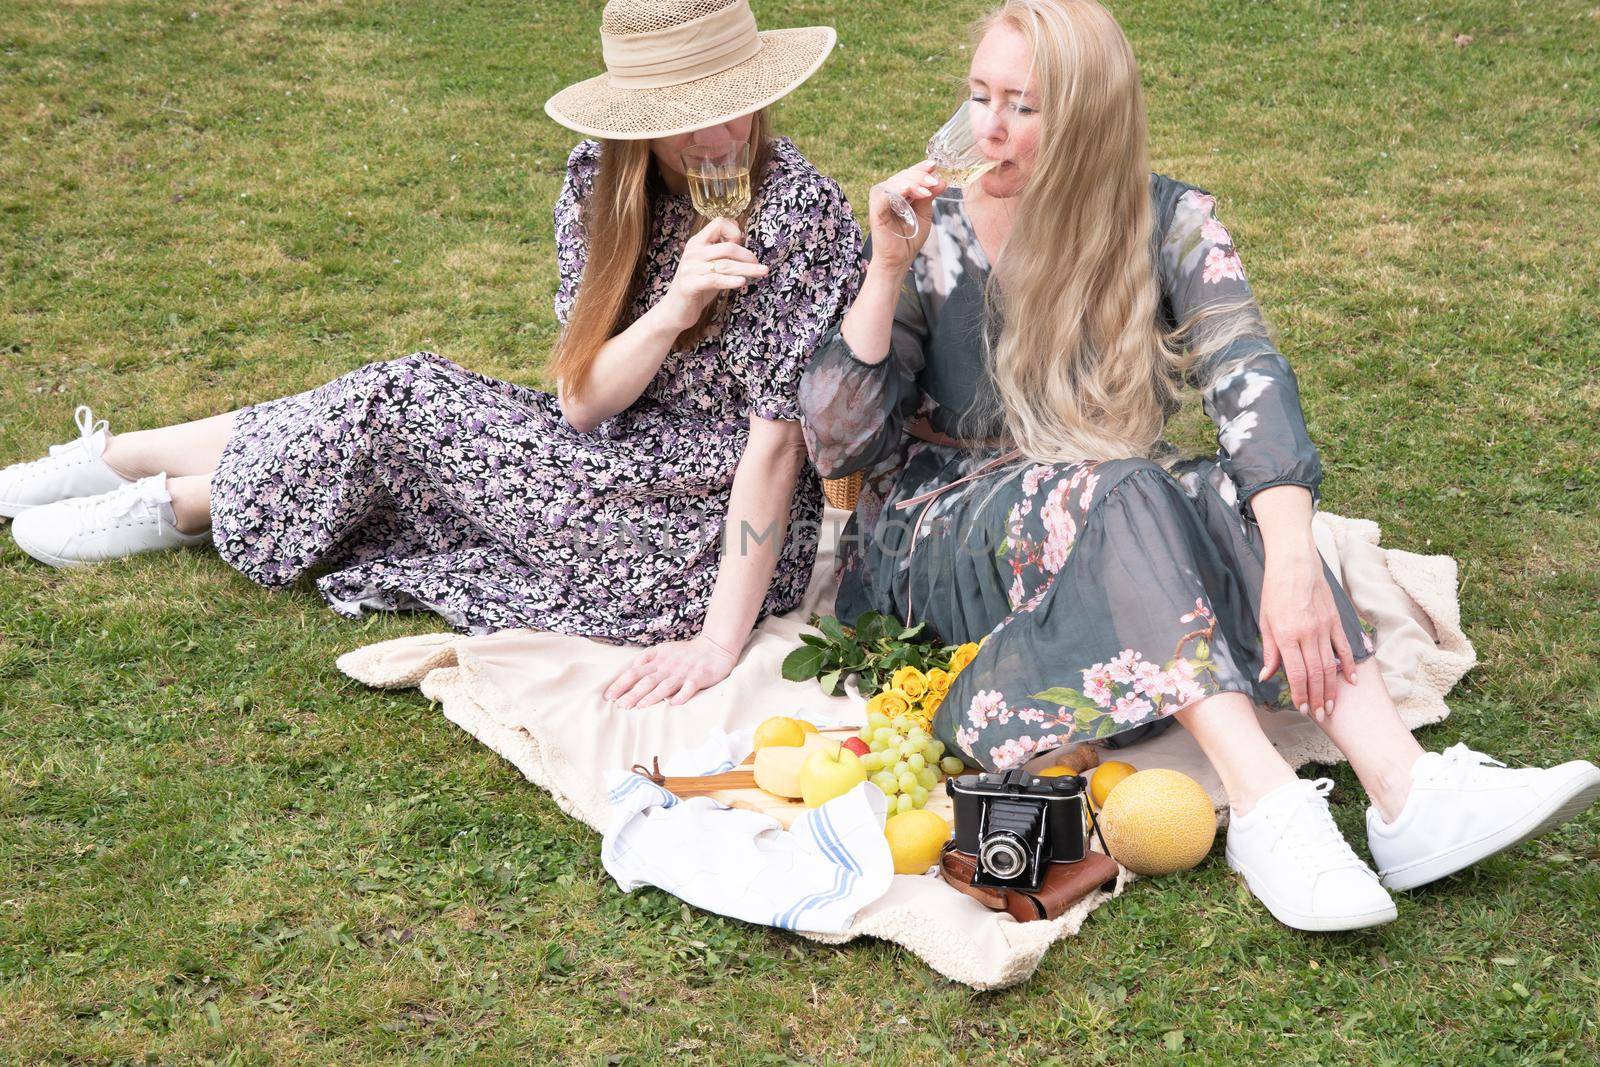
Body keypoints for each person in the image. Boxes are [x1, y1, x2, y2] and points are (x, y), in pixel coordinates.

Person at [797, 0, 1599, 932]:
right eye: (978, 96)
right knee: (1137, 484)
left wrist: (1295, 560)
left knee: (1223, 491)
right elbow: (841, 443)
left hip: (1095, 495)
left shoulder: (1167, 217)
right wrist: (886, 265)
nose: (988, 127)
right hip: (934, 526)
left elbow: (1249, 373)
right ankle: (1266, 802)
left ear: (1091, 114)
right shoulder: (929, 229)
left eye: (1022, 104)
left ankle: (1407, 790)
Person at [0, 0, 862, 711]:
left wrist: (717, 643)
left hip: (698, 534)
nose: (721, 136)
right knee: (402, 412)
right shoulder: (599, 185)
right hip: (608, 456)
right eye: (690, 116)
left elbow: (776, 445)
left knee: (405, 403)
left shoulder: (798, 216)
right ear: (640, 122)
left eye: (736, 102)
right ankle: (115, 462)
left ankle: (180, 499)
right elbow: (583, 405)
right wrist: (674, 308)